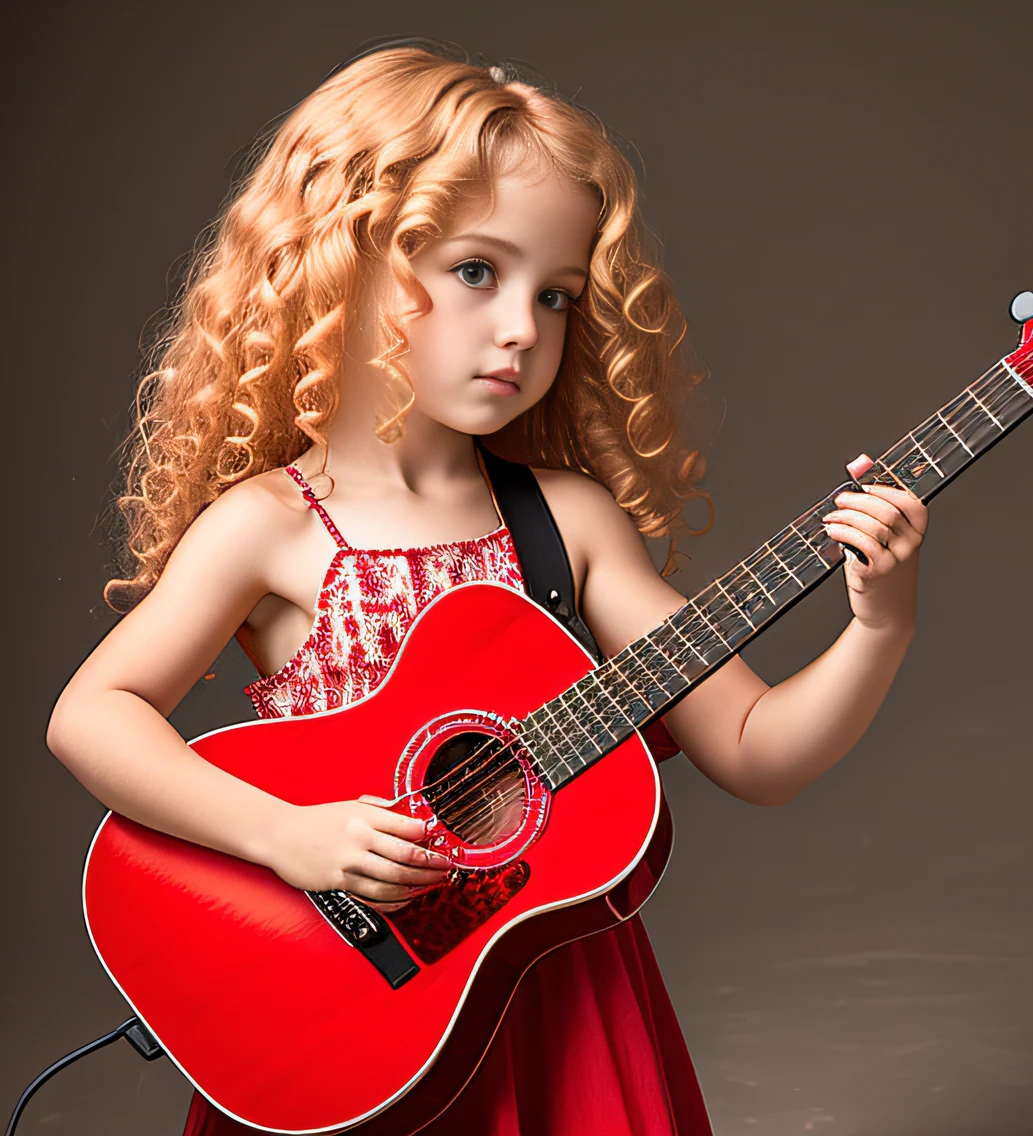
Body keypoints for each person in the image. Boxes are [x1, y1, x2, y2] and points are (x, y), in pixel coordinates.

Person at [43, 43, 928, 1135]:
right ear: (348, 261)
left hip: (564, 1004)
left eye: (554, 294)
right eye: (477, 272)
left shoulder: (569, 521)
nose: (522, 326)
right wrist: (288, 835)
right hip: (351, 1014)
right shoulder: (266, 528)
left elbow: (754, 745)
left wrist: (877, 623)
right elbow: (92, 715)